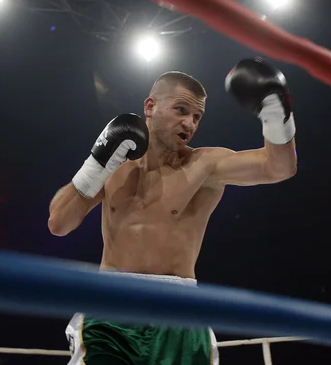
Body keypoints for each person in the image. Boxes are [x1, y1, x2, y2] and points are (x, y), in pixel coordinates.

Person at [47, 57, 298, 365]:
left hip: (178, 312)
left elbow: (279, 167)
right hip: (112, 309)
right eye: (181, 110)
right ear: (150, 107)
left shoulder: (204, 165)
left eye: (197, 117)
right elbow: (59, 223)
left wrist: (275, 110)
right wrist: (97, 162)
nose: (190, 123)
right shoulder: (114, 165)